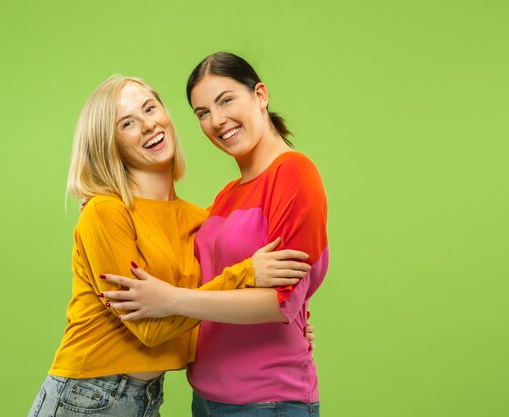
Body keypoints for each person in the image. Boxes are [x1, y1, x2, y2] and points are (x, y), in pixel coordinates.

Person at [27, 75, 314, 417]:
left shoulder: (199, 220)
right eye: (128, 123)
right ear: (109, 143)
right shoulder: (104, 212)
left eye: (151, 108)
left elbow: (203, 298)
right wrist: (246, 272)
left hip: (147, 397)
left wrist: (293, 321)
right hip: (88, 396)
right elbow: (151, 328)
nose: (148, 124)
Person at [101, 52, 328, 417]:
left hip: (266, 400)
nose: (217, 121)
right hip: (208, 398)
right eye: (202, 113)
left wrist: (173, 299)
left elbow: (279, 302)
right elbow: (197, 269)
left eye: (226, 100)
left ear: (260, 95)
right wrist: (108, 202)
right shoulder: (226, 196)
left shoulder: (294, 173)